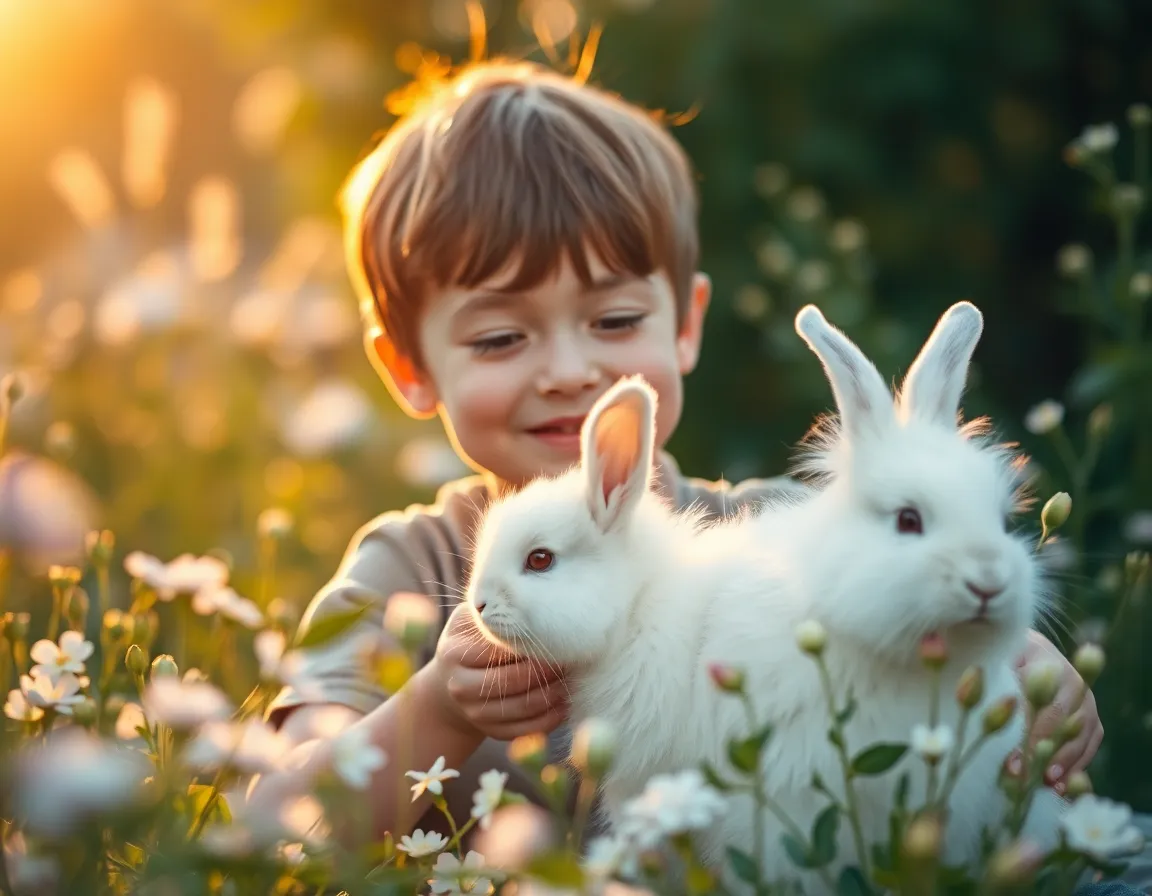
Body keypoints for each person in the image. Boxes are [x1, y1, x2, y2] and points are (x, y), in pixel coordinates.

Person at [255, 58, 1149, 889]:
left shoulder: (771, 544)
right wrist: (438, 710)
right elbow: (268, 830)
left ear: (686, 324)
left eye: (613, 320)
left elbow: (916, 596)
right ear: (409, 367)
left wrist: (1022, 669)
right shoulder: (410, 573)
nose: (569, 369)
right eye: (500, 336)